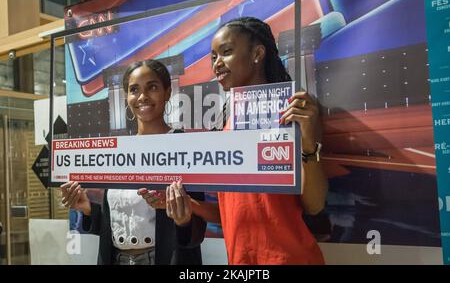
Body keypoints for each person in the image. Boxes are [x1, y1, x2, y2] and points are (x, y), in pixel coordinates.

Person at [166, 16, 328, 265]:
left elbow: (314, 205)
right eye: (213, 58)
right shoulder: (224, 124)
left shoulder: (295, 110)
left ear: (257, 53)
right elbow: (234, 211)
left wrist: (308, 146)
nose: (217, 64)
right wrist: (191, 206)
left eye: (226, 52)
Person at [61, 59, 206, 265]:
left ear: (167, 92)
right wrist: (87, 209)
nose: (142, 96)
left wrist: (184, 220)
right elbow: (118, 220)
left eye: (152, 87)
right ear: (127, 97)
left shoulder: (184, 145)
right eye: (134, 89)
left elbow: (197, 226)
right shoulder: (119, 150)